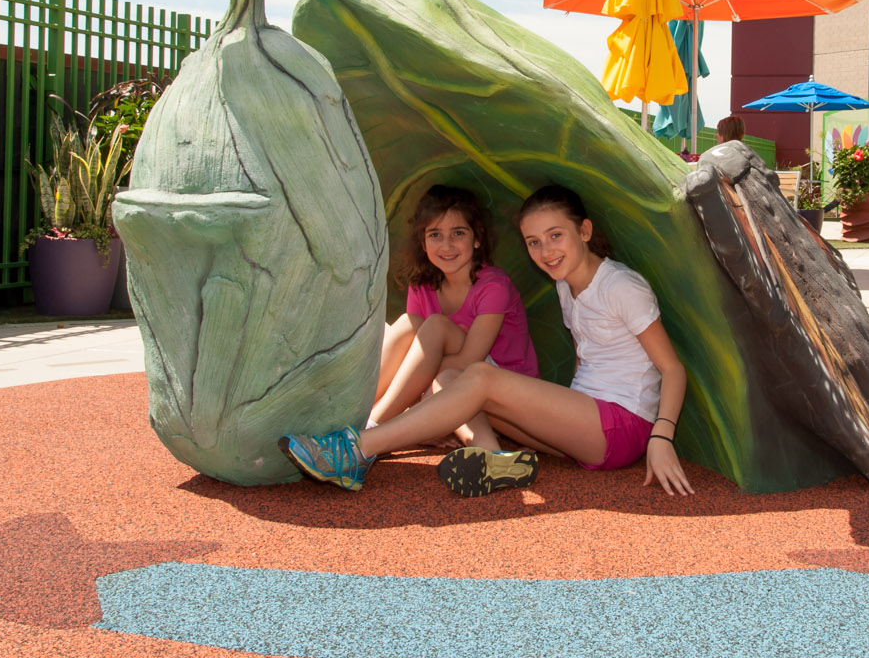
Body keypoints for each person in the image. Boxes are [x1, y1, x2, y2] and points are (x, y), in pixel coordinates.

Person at [281, 184, 696, 499]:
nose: (545, 251)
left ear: (584, 230)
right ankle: (494, 459)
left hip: (621, 427)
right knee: (453, 377)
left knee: (477, 376)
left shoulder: (621, 286)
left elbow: (672, 369)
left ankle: (359, 449)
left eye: (556, 236)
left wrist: (661, 438)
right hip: (582, 428)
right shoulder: (566, 285)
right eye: (534, 242)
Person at [368, 187, 537, 460]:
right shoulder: (421, 286)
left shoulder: (493, 285)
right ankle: (359, 419)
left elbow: (470, 359)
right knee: (408, 324)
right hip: (448, 389)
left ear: (477, 239)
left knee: (434, 326)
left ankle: (371, 430)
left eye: (458, 233)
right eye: (435, 235)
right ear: (423, 243)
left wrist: (421, 404)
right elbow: (419, 358)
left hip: (502, 389)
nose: (446, 245)